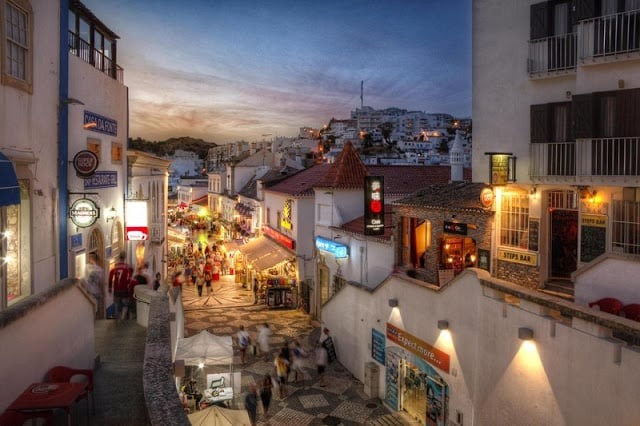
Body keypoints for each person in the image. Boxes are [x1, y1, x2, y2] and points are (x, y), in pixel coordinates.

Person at [108, 252, 133, 319]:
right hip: (124, 290)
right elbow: (130, 279)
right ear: (124, 258)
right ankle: (123, 318)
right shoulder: (127, 267)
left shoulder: (115, 266)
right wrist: (128, 285)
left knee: (116, 304)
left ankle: (116, 316)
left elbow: (110, 276)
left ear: (119, 258)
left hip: (116, 290)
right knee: (125, 305)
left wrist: (110, 287)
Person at [84, 253, 104, 319]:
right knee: (98, 308)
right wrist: (103, 292)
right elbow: (101, 283)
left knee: (90, 308)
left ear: (90, 259)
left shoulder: (86, 267)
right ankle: (98, 319)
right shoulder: (100, 270)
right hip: (97, 292)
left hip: (89, 291)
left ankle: (92, 320)